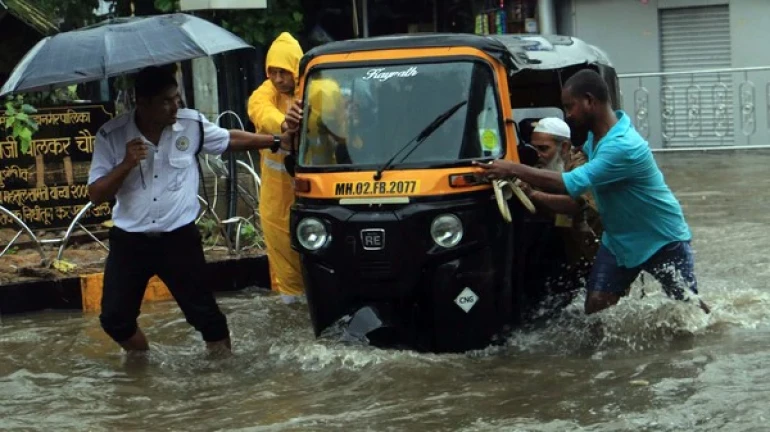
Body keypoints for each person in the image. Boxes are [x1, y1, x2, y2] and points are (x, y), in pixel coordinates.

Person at [87, 66, 303, 353]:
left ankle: (222, 377)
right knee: (115, 320)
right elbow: (96, 194)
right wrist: (126, 163)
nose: (175, 106)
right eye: (166, 101)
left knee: (207, 319)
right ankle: (141, 367)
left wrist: (277, 141)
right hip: (130, 241)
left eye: (177, 98)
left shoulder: (190, 124)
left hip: (178, 240)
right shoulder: (111, 135)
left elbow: (229, 139)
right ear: (142, 102)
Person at [475, 69, 710, 315]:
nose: (568, 115)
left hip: (660, 239)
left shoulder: (622, 146)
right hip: (619, 239)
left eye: (570, 107)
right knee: (596, 306)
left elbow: (571, 185)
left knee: (688, 308)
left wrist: (512, 168)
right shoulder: (594, 138)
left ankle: (717, 331)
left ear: (589, 101)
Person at [247, 32, 305, 304]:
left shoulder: (316, 89)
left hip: (312, 195)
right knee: (286, 273)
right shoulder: (265, 93)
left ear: (296, 69)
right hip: (275, 202)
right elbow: (259, 110)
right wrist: (285, 125)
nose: (279, 78)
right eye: (273, 71)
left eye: (284, 72)